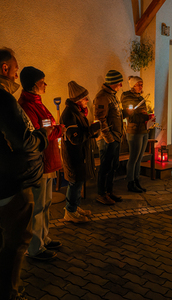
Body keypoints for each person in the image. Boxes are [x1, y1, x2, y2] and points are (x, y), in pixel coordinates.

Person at [0, 48, 50, 299]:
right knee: (13, 243)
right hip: (9, 183)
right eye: (15, 69)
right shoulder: (4, 100)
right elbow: (25, 141)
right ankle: (9, 292)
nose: (16, 76)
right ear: (4, 69)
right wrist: (41, 137)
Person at [19, 67, 65, 260]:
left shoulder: (37, 103)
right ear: (33, 84)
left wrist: (54, 129)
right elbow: (39, 132)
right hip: (40, 161)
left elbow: (47, 126)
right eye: (42, 82)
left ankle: (44, 238)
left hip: (48, 159)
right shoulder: (27, 106)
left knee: (45, 203)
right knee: (38, 205)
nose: (45, 85)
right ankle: (35, 247)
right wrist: (58, 130)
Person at [60, 81, 100, 222]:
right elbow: (75, 138)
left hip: (80, 154)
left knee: (78, 181)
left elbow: (82, 132)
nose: (87, 100)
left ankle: (75, 207)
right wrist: (91, 131)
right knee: (75, 182)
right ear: (77, 100)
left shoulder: (77, 112)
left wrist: (93, 132)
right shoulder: (69, 114)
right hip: (73, 155)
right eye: (84, 98)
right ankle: (70, 211)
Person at [94, 70, 124, 205]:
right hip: (107, 139)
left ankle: (109, 192)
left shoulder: (112, 95)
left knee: (113, 166)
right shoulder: (102, 97)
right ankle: (101, 194)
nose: (121, 85)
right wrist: (109, 139)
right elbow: (100, 119)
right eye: (119, 83)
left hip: (115, 137)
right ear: (112, 83)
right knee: (105, 167)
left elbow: (114, 115)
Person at [121, 76, 153, 192]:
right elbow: (130, 114)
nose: (141, 86)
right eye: (139, 84)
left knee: (139, 158)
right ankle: (130, 182)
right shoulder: (126, 96)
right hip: (134, 130)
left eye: (142, 84)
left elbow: (141, 111)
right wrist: (143, 115)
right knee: (133, 157)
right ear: (133, 85)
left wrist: (148, 116)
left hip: (144, 129)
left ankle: (137, 180)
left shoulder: (141, 97)